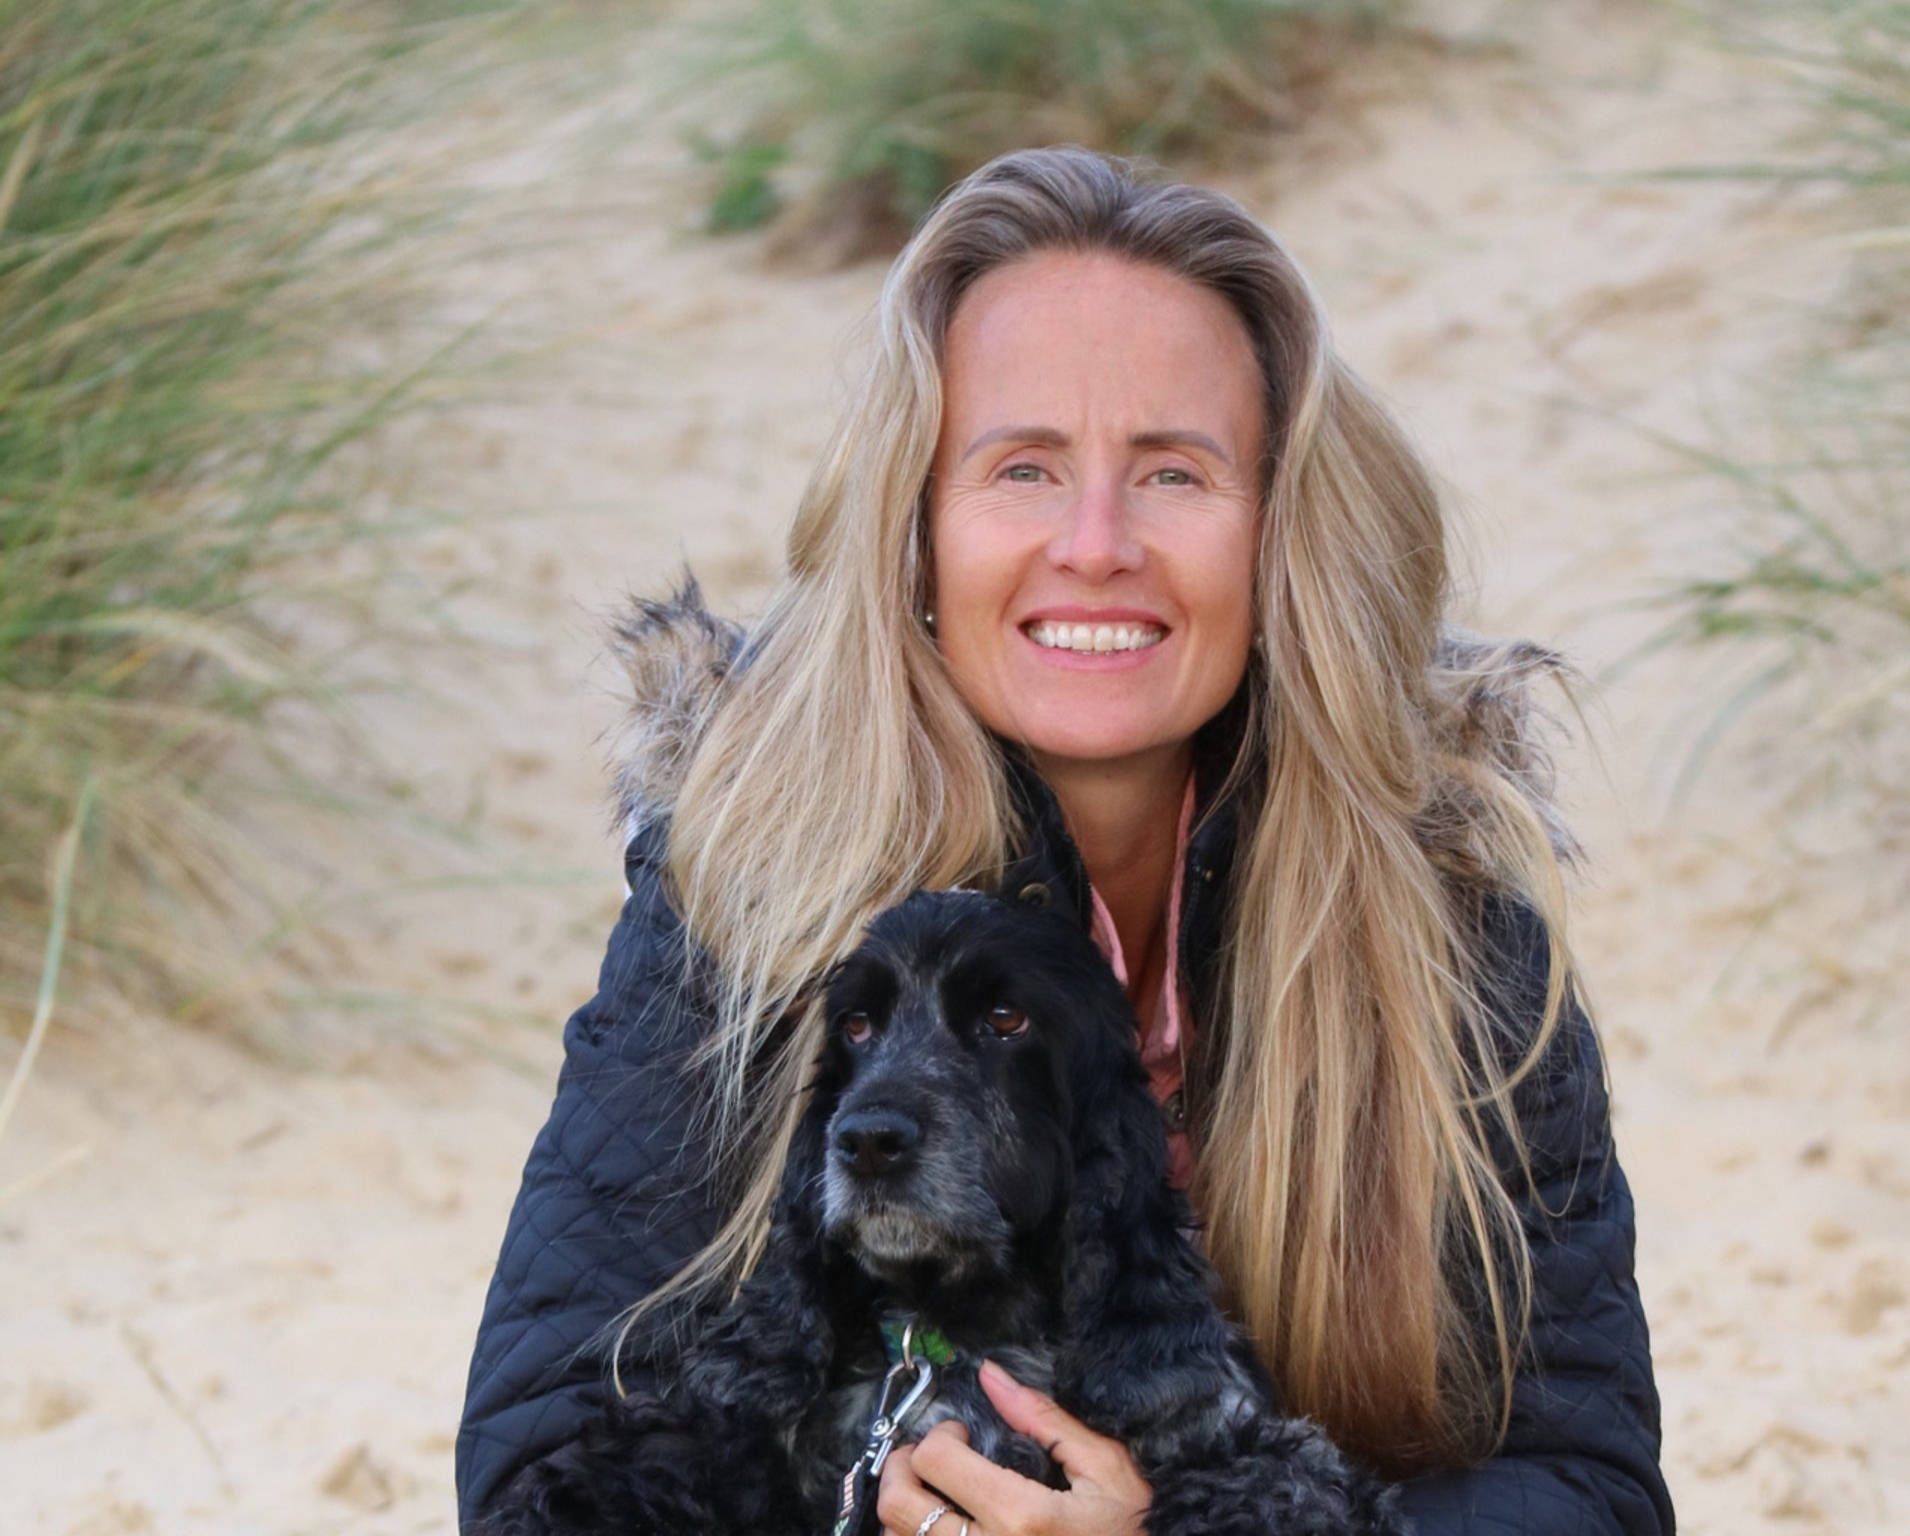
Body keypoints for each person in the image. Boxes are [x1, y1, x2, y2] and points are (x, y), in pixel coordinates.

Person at [456, 147, 1673, 1536]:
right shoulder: (749, 897)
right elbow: (540, 1469)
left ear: (1281, 536)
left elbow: (1584, 1491)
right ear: (915, 538)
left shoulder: (1448, 931)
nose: (1095, 544)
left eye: (1173, 473)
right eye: (1023, 467)